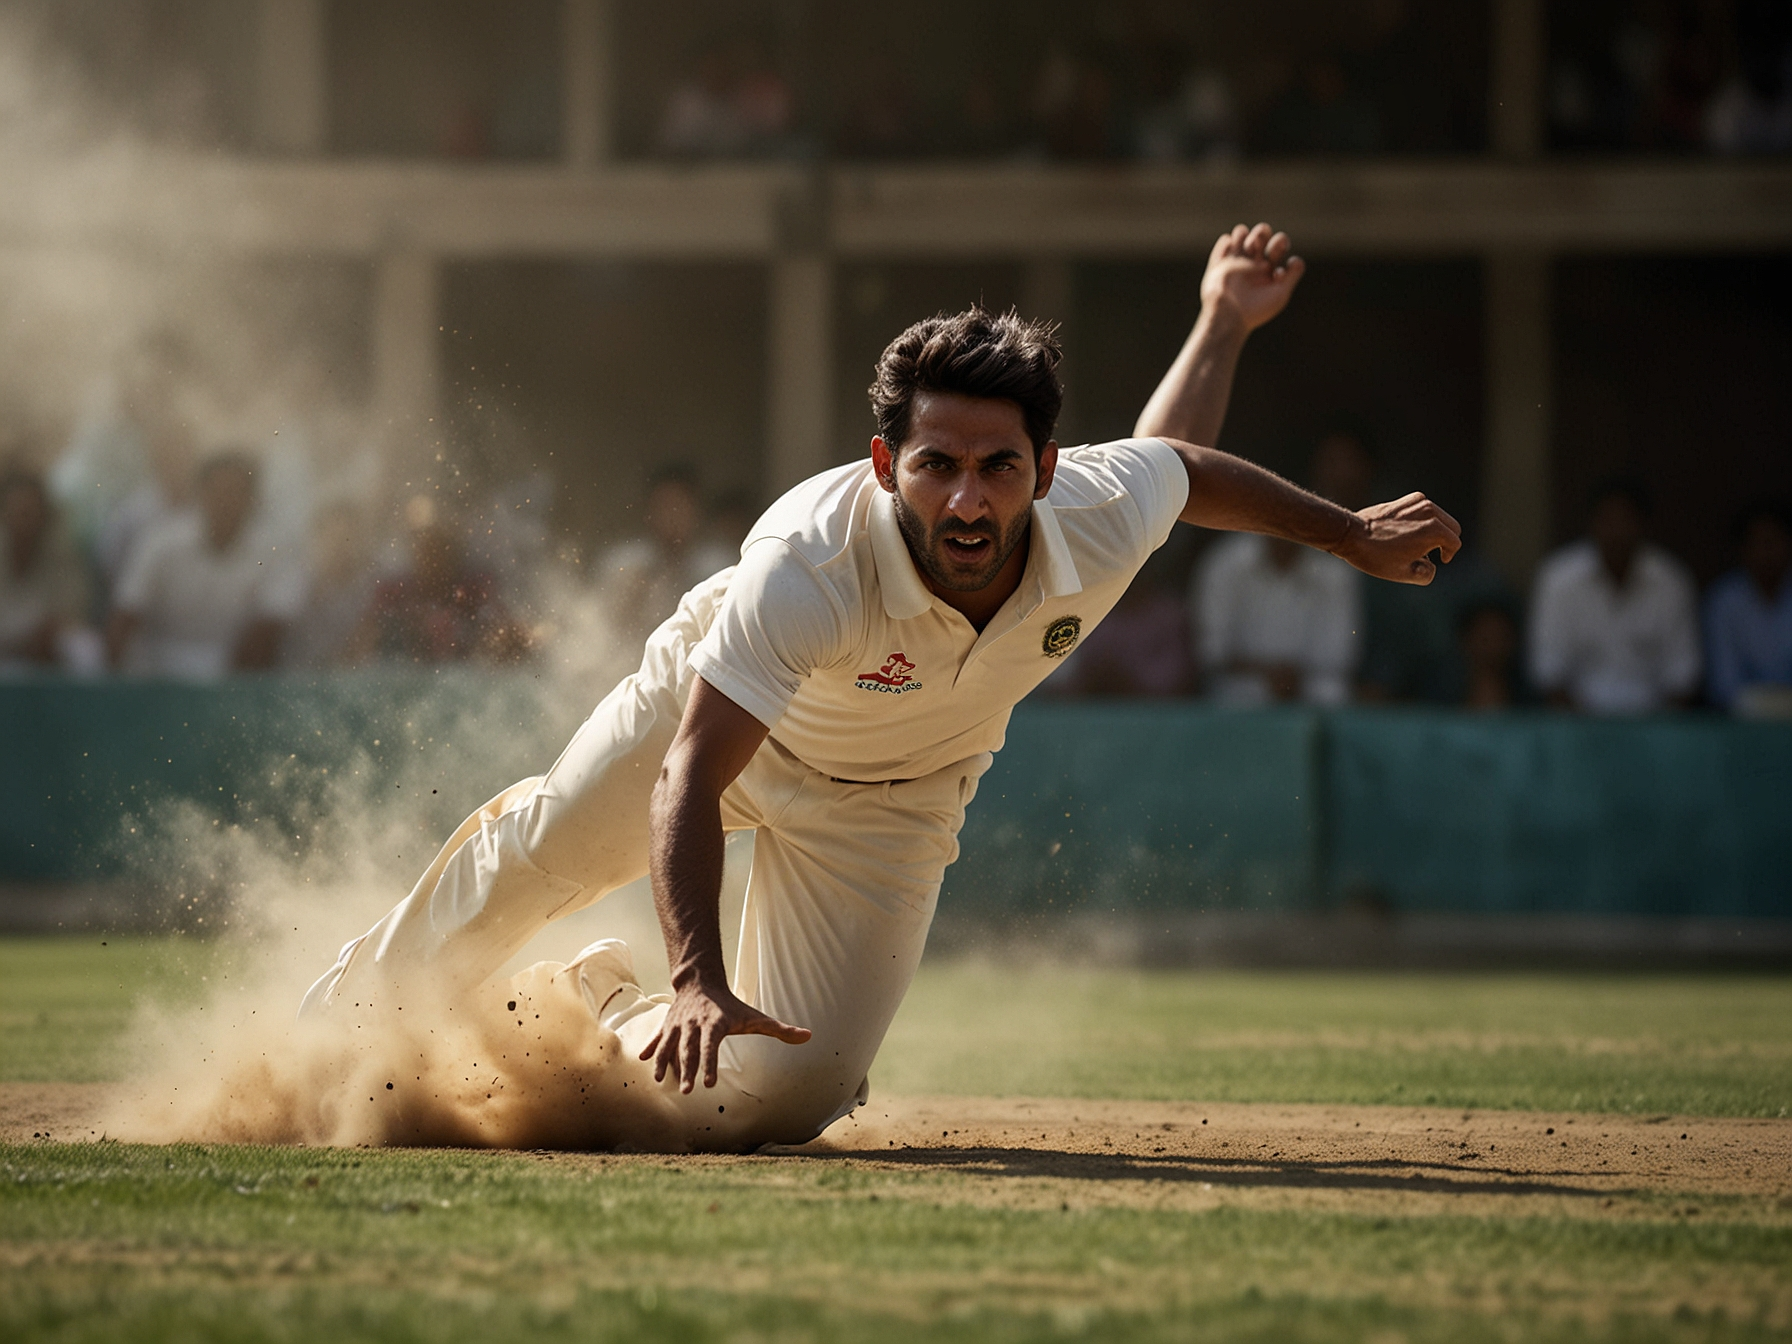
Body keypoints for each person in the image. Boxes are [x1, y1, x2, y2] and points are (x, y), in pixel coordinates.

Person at [298, 223, 1459, 1152]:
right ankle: (327, 1038)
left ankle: (595, 1002)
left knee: (775, 1100)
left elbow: (1177, 473)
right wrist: (701, 977)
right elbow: (692, 775)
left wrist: (1312, 474)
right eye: (936, 465)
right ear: (884, 465)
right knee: (549, 851)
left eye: (999, 468)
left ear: (1046, 470)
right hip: (718, 727)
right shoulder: (806, 566)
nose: (968, 500)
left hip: (893, 799)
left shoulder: (1090, 517)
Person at [107, 451, 305, 679]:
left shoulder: (277, 550)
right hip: (154, 668)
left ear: (253, 499)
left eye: (237, 492)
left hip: (232, 674)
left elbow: (269, 626)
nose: (226, 501)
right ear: (200, 493)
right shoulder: (160, 541)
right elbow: (126, 614)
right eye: (218, 490)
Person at [1528, 480, 1700, 715]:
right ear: (1592, 523)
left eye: (1626, 519)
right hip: (1577, 729)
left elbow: (1683, 675)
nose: (1617, 529)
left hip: (1655, 728)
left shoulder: (1671, 580)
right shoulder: (1559, 579)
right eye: (1607, 518)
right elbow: (1548, 672)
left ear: (1643, 524)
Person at [599, 466, 736, 650]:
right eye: (664, 506)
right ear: (649, 512)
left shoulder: (719, 566)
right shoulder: (624, 563)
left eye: (680, 506)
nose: (672, 516)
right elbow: (603, 625)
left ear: (696, 510)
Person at [0, 466, 98, 673]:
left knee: (86, 648)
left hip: (45, 658)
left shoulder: (62, 554)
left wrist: (46, 636)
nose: (25, 521)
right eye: (19, 512)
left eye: (31, 512)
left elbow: (72, 618)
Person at [1703, 501, 1792, 716]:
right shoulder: (1724, 601)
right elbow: (1724, 686)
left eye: (1772, 542)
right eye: (1758, 543)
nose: (1766, 553)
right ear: (1743, 549)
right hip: (1741, 722)